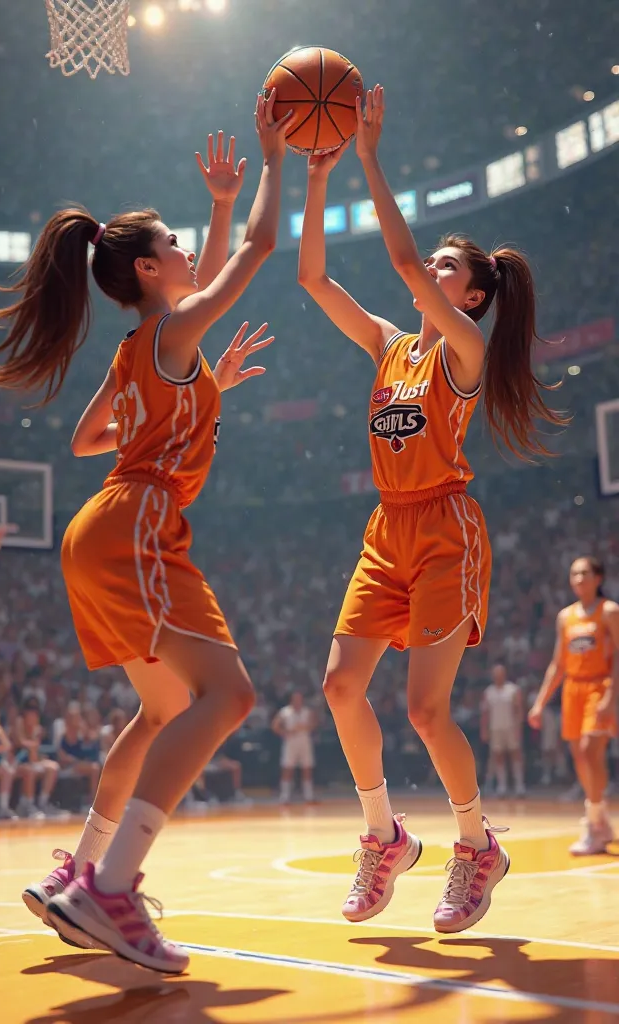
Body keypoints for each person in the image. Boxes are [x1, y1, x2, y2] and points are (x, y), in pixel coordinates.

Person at [0, 94, 291, 972]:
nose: (189, 252)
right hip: (137, 523)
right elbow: (257, 255)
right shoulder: (172, 331)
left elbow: (85, 440)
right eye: (177, 244)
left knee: (160, 711)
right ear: (149, 270)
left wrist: (195, 389)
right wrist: (270, 160)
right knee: (229, 698)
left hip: (104, 525)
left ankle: (82, 868)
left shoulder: (147, 344)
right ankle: (111, 887)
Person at [297, 84, 566, 934]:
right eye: (439, 263)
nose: (433, 272)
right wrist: (317, 177)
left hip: (446, 528)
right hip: (387, 528)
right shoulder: (388, 344)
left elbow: (408, 268)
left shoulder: (466, 347)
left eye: (453, 267)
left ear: (475, 296)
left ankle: (477, 845)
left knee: (423, 709)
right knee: (340, 686)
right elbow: (311, 277)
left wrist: (372, 157)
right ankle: (385, 838)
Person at [529, 556, 619, 854]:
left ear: (598, 578)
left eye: (584, 573)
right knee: (580, 757)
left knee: (590, 750)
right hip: (573, 689)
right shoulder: (566, 616)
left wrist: (611, 696)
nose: (579, 578)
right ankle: (602, 820)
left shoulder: (609, 611)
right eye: (574, 573)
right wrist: (540, 702)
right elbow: (558, 663)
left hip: (600, 685)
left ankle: (593, 826)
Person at [480, 665, 525, 797]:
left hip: (511, 727)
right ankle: (502, 787)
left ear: (504, 674)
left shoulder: (512, 689)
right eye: (496, 674)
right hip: (495, 728)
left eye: (500, 673)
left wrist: (519, 727)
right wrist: (484, 729)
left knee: (515, 755)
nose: (498, 676)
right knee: (498, 756)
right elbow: (485, 713)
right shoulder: (488, 692)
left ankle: (519, 786)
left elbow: (518, 710)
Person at [12, 698, 60, 818]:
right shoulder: (19, 723)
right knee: (30, 770)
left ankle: (42, 803)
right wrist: (31, 743)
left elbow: (33, 756)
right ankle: (28, 805)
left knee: (53, 767)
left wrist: (34, 738)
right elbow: (19, 742)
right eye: (31, 714)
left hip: (30, 761)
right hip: (15, 762)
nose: (33, 717)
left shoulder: (36, 729)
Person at [271, 690, 317, 804]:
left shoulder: (307, 711)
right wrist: (285, 732)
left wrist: (306, 726)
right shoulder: (285, 712)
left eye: (300, 698)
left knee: (307, 768)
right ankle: (285, 796)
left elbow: (314, 723)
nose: (298, 701)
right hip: (290, 742)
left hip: (304, 741)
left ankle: (309, 796)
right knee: (287, 768)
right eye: (296, 699)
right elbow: (275, 725)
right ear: (292, 700)